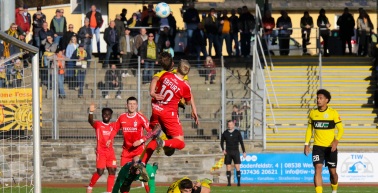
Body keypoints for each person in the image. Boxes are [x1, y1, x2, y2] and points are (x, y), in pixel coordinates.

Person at [140, 60, 192, 167]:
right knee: (181, 143)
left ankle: (142, 163)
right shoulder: (185, 86)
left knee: (155, 139)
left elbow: (156, 84)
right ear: (187, 73)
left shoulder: (166, 75)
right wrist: (180, 100)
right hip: (168, 114)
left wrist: (154, 94)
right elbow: (188, 102)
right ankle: (163, 143)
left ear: (176, 68)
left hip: (156, 110)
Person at [304, 89, 344, 193]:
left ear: (327, 100)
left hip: (331, 147)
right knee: (317, 168)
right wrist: (306, 144)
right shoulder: (313, 113)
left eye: (321, 98)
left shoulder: (333, 113)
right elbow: (309, 129)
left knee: (333, 173)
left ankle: (334, 190)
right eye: (317, 98)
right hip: (317, 147)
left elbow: (341, 129)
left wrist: (336, 141)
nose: (318, 100)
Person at [87, 104, 117, 193]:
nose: (106, 116)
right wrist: (91, 112)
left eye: (108, 114)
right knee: (100, 171)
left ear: (111, 116)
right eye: (104, 114)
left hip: (110, 152)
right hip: (101, 152)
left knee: (112, 171)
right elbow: (90, 120)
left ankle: (109, 191)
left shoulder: (113, 125)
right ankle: (90, 186)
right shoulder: (98, 124)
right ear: (102, 115)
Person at [220, 120, 246, 186]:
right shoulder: (225, 133)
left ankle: (239, 183)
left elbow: (241, 142)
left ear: (233, 125)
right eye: (229, 125)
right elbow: (221, 142)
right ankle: (229, 183)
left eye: (231, 124)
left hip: (235, 151)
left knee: (237, 166)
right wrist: (223, 149)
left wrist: (244, 151)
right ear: (227, 125)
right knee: (228, 167)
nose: (230, 126)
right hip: (228, 152)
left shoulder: (237, 132)